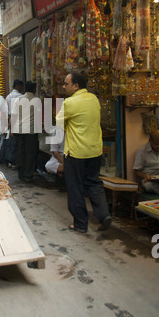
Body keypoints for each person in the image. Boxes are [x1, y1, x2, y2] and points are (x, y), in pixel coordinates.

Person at [56, 72, 112, 233]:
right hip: (95, 150)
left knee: (75, 187)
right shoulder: (94, 99)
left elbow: (59, 123)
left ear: (76, 86)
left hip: (76, 153)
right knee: (94, 183)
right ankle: (103, 215)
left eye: (66, 84)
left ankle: (80, 224)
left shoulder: (70, 103)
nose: (64, 86)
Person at [12, 81, 41, 183]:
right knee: (30, 153)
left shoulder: (19, 99)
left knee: (21, 151)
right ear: (34, 89)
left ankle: (21, 172)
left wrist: (12, 128)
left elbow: (14, 115)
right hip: (31, 131)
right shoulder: (36, 100)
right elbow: (39, 116)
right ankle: (28, 174)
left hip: (20, 130)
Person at [133, 130, 159, 194]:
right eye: (157, 146)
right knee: (148, 186)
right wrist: (145, 176)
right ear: (150, 141)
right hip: (150, 179)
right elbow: (136, 171)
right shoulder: (142, 151)